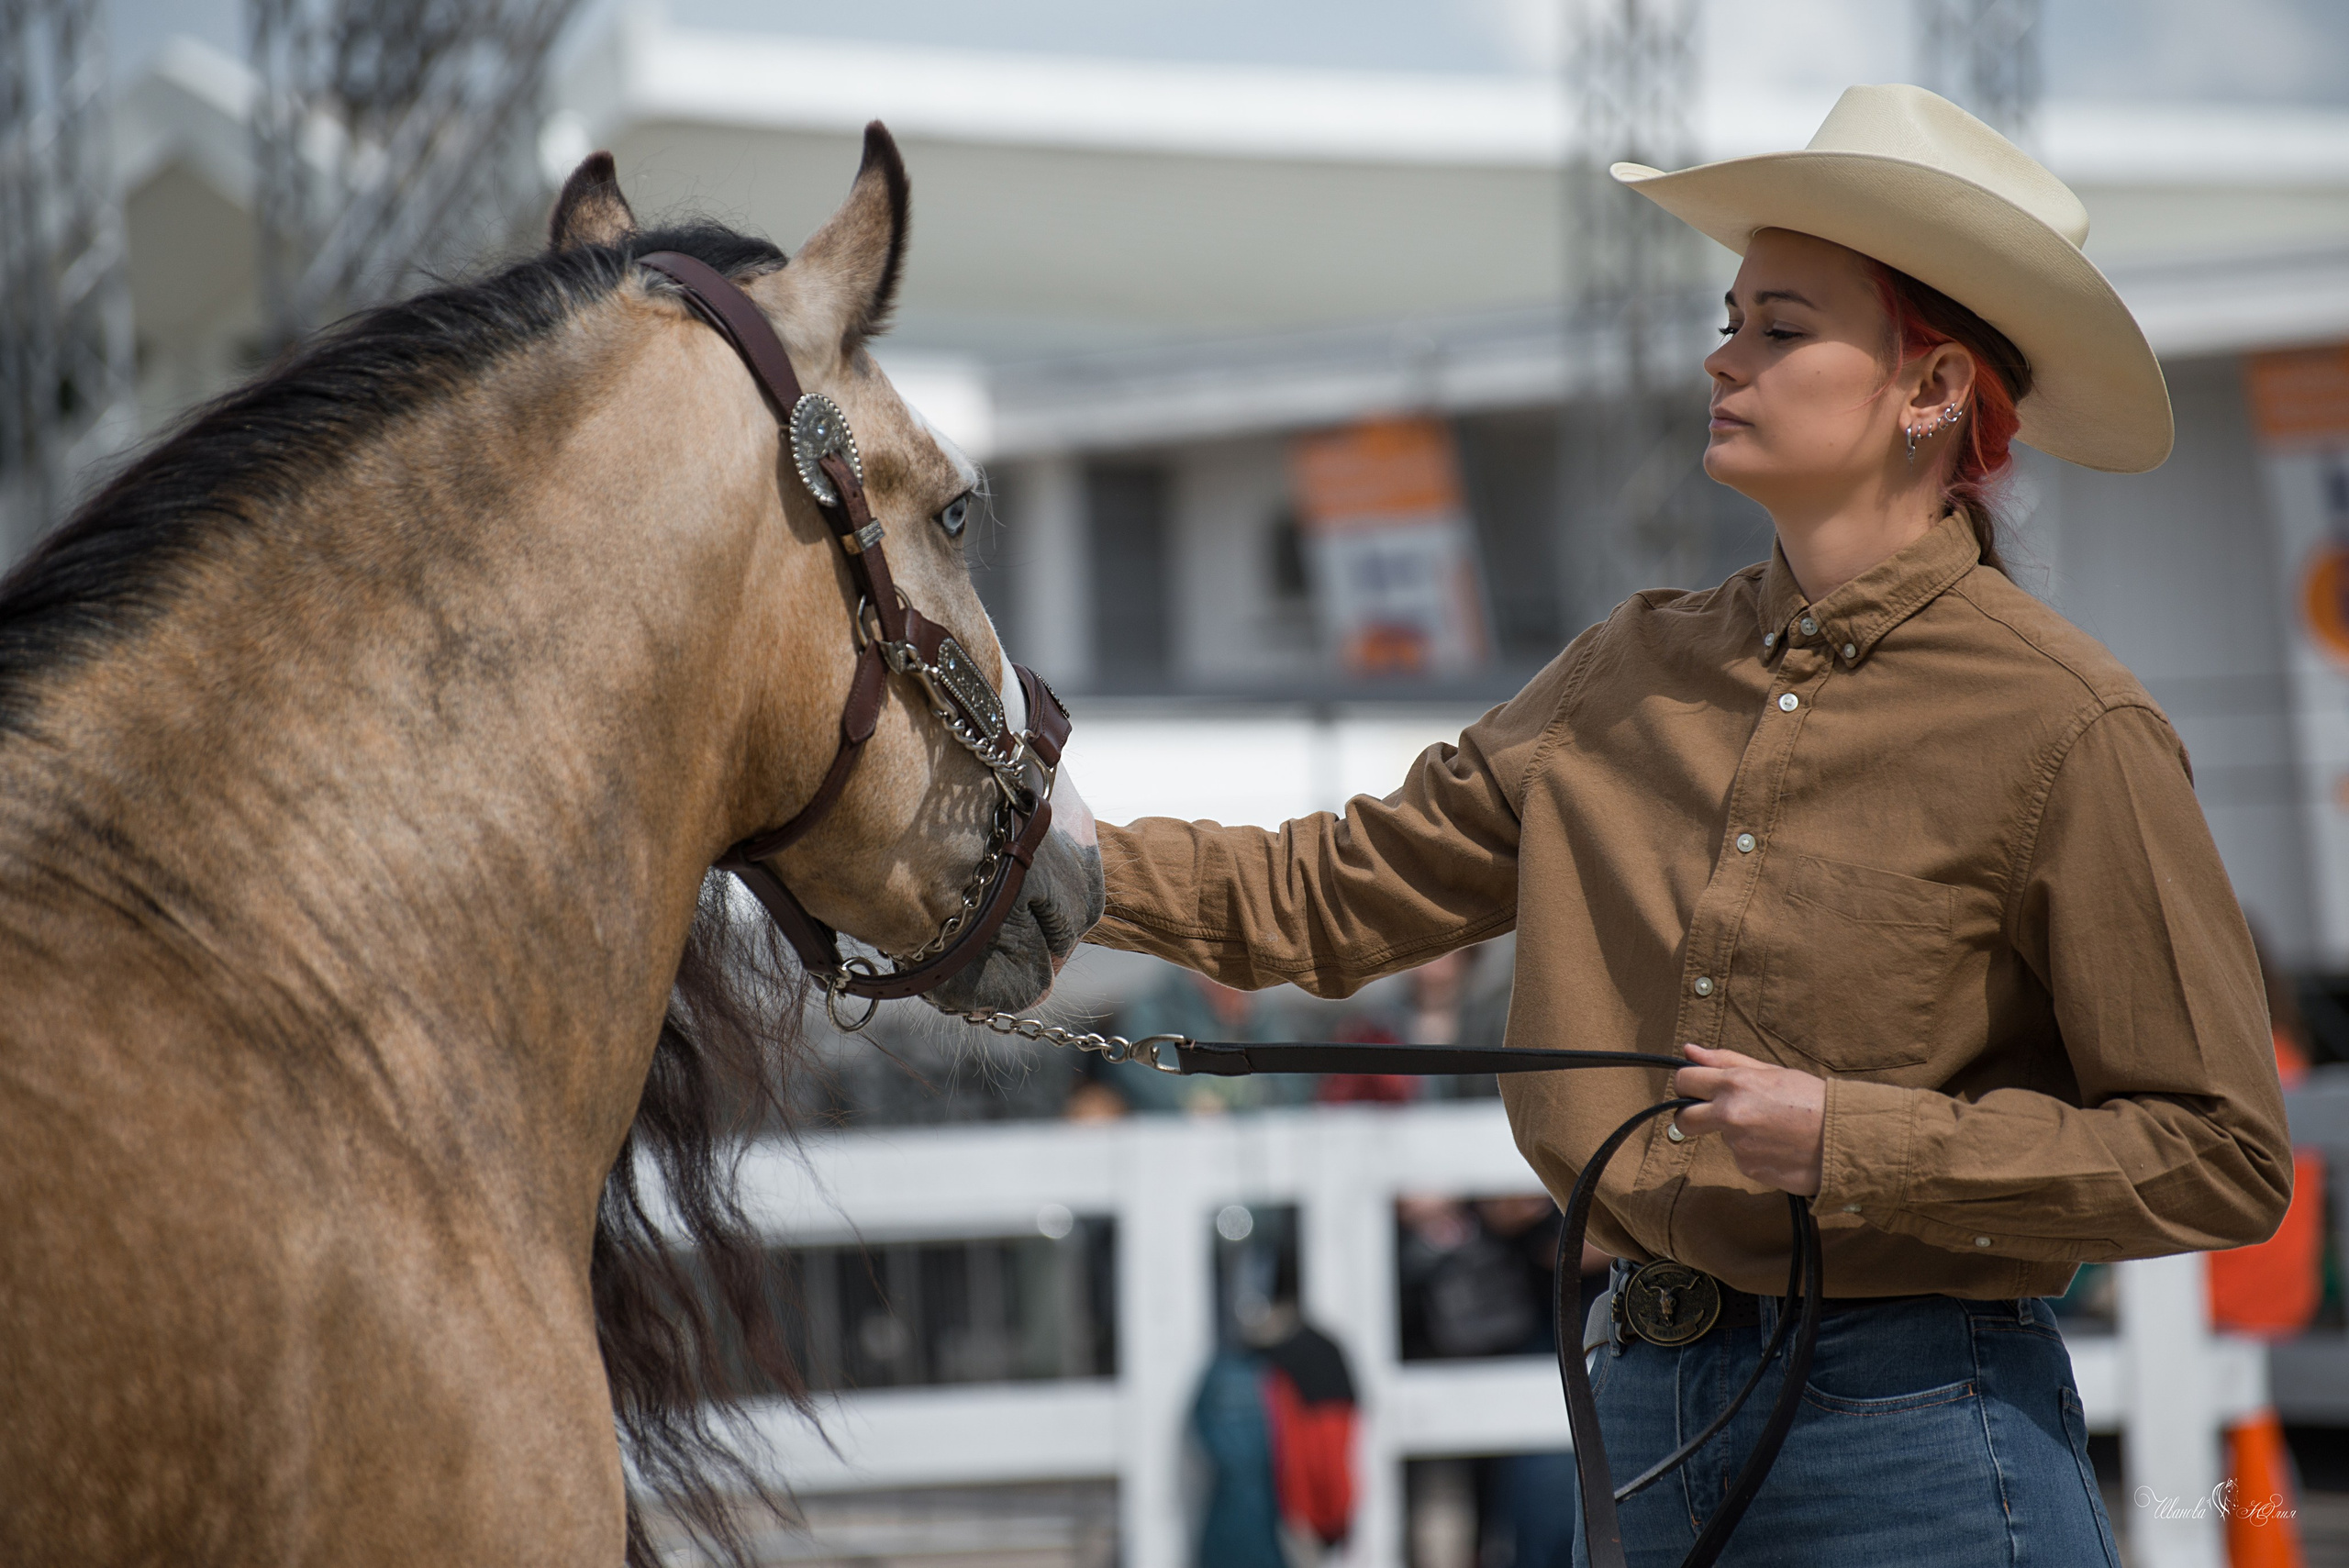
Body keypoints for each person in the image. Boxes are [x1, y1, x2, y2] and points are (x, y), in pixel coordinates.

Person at [1080, 84, 2293, 1565]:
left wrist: (1856, 1139)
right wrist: (1045, 866)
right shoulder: (1622, 673)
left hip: (1920, 1436)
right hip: (1641, 1415)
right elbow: (1333, 893)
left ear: (1932, 387)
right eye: (1732, 318)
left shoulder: (2069, 725)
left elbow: (2220, 1149)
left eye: (1781, 327)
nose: (1723, 355)